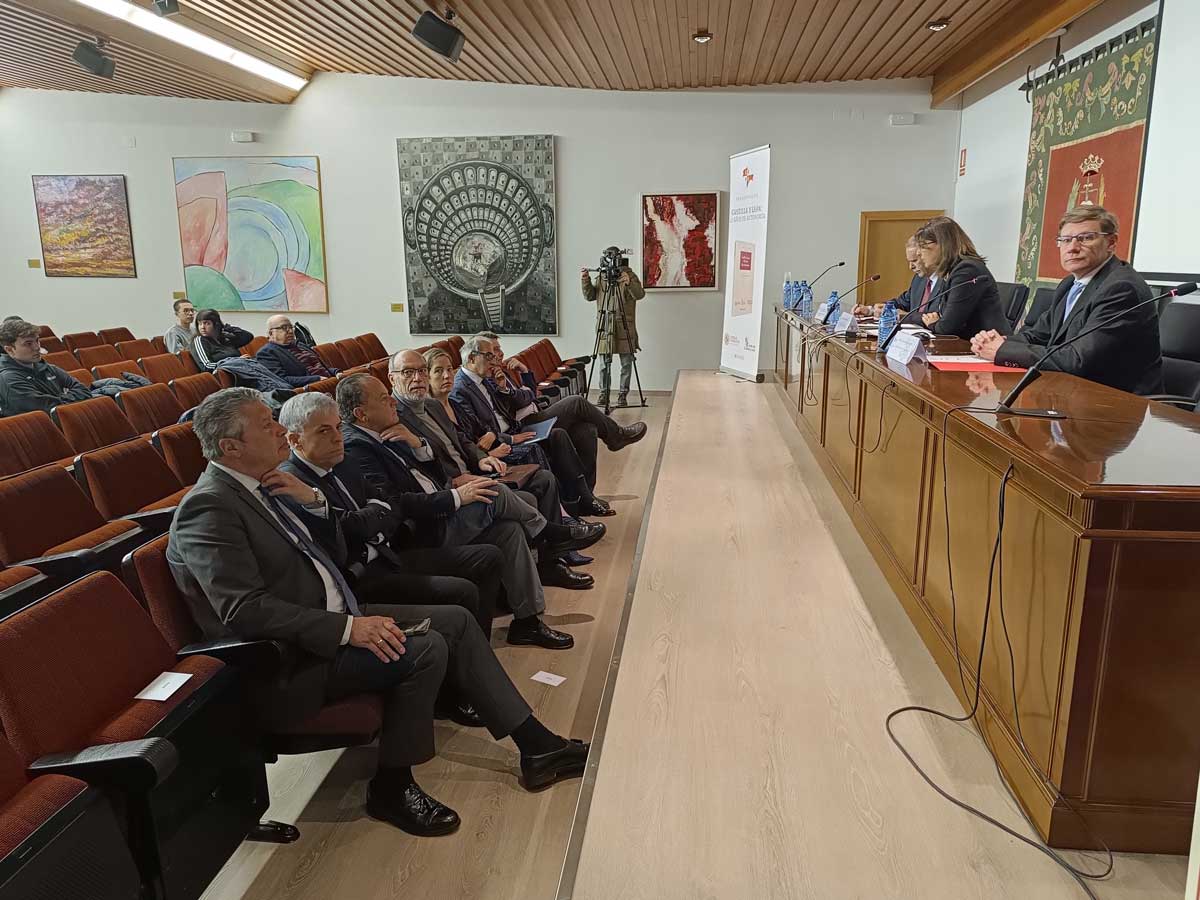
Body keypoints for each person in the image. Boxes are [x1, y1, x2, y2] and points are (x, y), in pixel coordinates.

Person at [167, 388, 590, 836]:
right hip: (291, 659)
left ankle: (536, 746)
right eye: (266, 425)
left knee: (458, 619)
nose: (278, 430)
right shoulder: (209, 506)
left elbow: (330, 550)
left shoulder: (263, 485)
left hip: (337, 611)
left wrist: (312, 500)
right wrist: (349, 628)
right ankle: (391, 787)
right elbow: (242, 610)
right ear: (231, 446)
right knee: (425, 649)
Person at [337, 373, 601, 646]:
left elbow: (435, 469)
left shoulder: (389, 430)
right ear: (362, 413)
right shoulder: (357, 446)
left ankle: (528, 621)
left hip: (441, 506)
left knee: (509, 530)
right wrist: (455, 496)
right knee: (496, 491)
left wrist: (418, 445)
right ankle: (549, 533)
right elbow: (398, 505)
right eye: (383, 398)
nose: (391, 401)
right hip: (422, 529)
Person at [278, 392, 503, 641]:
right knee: (462, 592)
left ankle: (476, 647)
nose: (337, 437)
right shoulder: (294, 482)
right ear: (296, 440)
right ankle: (467, 656)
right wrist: (375, 512)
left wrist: (374, 513)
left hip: (387, 555)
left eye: (338, 427)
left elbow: (390, 505)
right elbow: (350, 528)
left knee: (488, 555)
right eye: (323, 431)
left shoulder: (344, 461)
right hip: (360, 577)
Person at [971, 206, 1164, 396]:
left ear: (1111, 242)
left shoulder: (1121, 288)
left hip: (1114, 403)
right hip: (1070, 392)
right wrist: (997, 342)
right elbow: (1038, 335)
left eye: (1086, 238)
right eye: (1065, 240)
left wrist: (1003, 350)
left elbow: (1078, 359)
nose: (1072, 248)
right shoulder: (1069, 284)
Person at [415, 348, 614, 518]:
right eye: (438, 371)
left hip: (507, 437)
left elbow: (522, 400)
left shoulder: (485, 383)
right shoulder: (456, 395)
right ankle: (565, 511)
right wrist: (495, 446)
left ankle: (582, 497)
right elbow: (472, 440)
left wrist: (513, 382)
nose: (447, 376)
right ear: (472, 358)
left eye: (449, 369)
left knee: (584, 429)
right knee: (571, 408)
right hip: (491, 453)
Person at [451, 335, 646, 493]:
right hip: (522, 425)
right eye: (491, 354)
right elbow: (511, 407)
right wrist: (509, 436)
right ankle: (615, 436)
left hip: (530, 416)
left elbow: (529, 393)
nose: (497, 356)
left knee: (586, 429)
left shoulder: (490, 375)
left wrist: (524, 372)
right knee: (576, 402)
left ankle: (586, 494)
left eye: (498, 352)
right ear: (472, 358)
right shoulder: (475, 382)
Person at [910, 217, 1009, 339]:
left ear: (943, 244)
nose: (918, 253)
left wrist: (932, 323)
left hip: (988, 347)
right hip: (970, 344)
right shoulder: (952, 270)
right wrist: (935, 321)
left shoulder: (967, 270)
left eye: (922, 246)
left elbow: (947, 327)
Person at [581, 248, 645, 407]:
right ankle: (604, 394)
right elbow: (590, 296)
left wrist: (628, 281)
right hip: (605, 325)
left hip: (624, 326)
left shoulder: (628, 275)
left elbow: (640, 294)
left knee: (626, 363)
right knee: (604, 363)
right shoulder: (602, 276)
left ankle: (623, 395)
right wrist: (585, 280)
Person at [0, 318, 91, 417]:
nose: (37, 347)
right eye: (28, 344)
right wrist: (66, 396)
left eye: (37, 340)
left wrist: (58, 399)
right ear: (10, 350)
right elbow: (51, 410)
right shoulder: (8, 379)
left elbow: (84, 391)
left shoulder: (44, 366)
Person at [853, 236, 929, 318]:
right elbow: (902, 303)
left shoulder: (942, 283)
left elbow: (938, 320)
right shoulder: (919, 279)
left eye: (914, 260)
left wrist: (906, 316)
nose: (911, 267)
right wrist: (870, 310)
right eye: (909, 261)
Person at [255, 315, 336, 387]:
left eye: (291, 327)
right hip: (311, 388)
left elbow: (322, 367)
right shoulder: (266, 353)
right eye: (284, 328)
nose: (290, 331)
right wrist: (316, 379)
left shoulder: (300, 345)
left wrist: (336, 372)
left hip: (328, 381)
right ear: (271, 333)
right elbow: (281, 380)